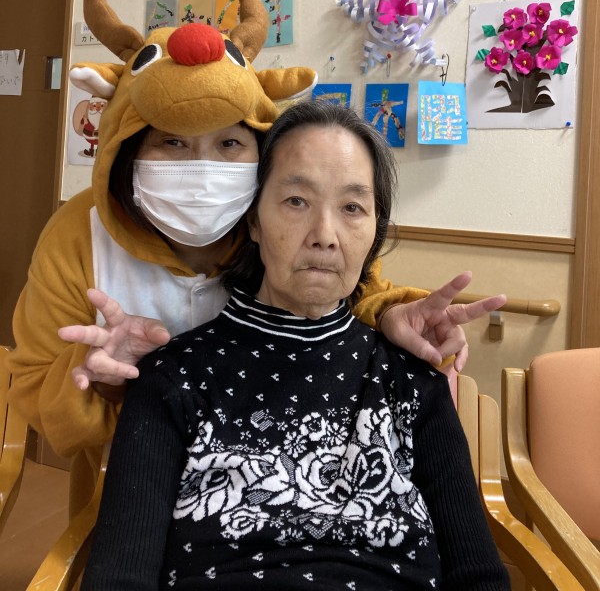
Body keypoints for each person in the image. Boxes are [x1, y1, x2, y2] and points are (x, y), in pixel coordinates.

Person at [7, 0, 502, 520]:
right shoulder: (79, 234)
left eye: (229, 143)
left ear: (259, 154)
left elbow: (351, 297)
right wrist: (100, 377)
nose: (202, 167)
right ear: (127, 150)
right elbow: (34, 389)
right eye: (171, 141)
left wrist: (390, 317)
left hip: (277, 491)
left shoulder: (289, 221)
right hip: (126, 499)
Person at [81, 100, 510, 591]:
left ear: (375, 231)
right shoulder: (173, 377)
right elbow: (119, 576)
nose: (325, 236)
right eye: (296, 201)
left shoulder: (412, 379)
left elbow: (478, 575)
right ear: (254, 221)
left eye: (352, 208)